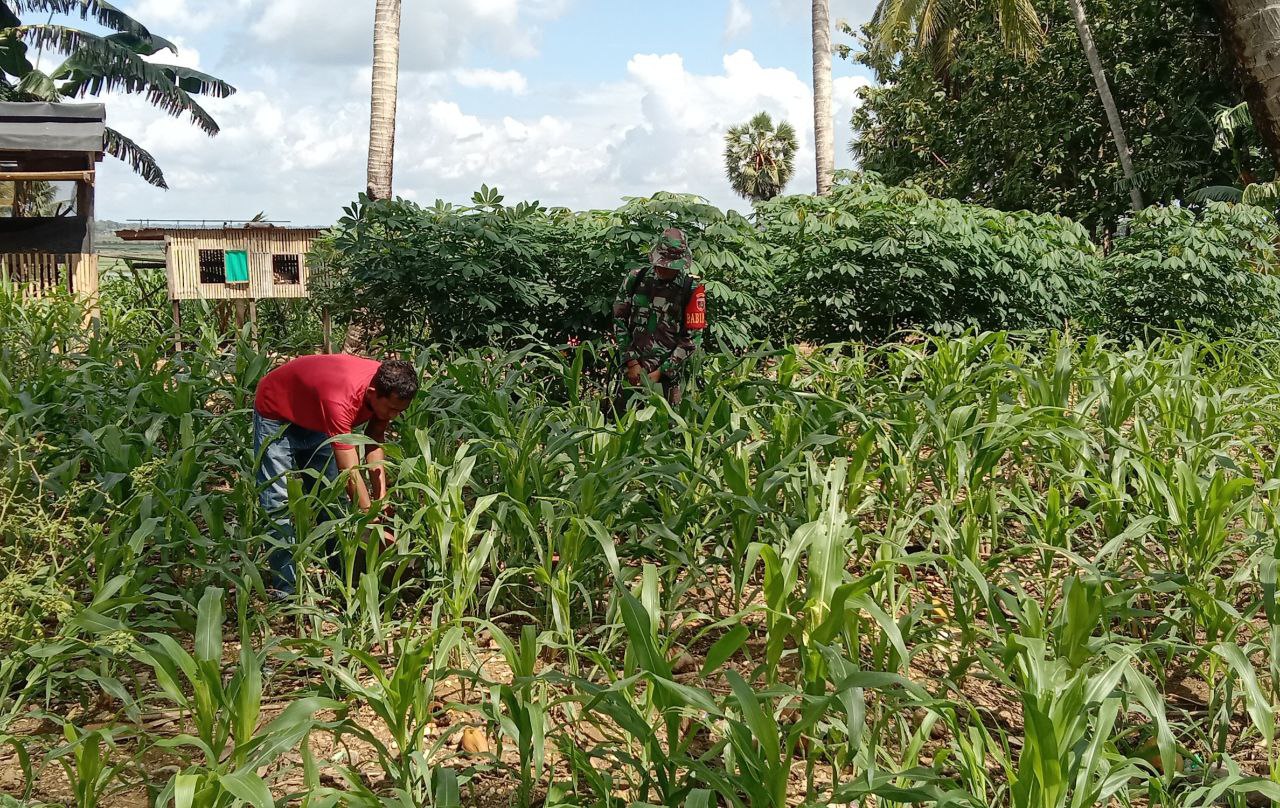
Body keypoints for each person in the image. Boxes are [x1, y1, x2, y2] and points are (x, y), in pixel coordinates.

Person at [252, 354, 419, 596]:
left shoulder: (390, 384)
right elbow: (349, 472)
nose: (394, 415)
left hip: (317, 416)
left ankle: (343, 578)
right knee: (278, 503)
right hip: (277, 414)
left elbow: (374, 439)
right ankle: (286, 592)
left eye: (400, 411)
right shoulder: (341, 400)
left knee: (332, 501)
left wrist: (382, 501)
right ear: (372, 393)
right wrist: (371, 520)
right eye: (392, 409)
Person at [611, 227, 705, 409]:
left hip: (667, 379)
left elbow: (692, 338)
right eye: (660, 262)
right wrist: (631, 361)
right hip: (632, 373)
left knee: (666, 424)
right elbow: (619, 319)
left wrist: (662, 371)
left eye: (668, 265)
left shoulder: (691, 289)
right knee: (621, 421)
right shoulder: (636, 278)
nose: (661, 268)